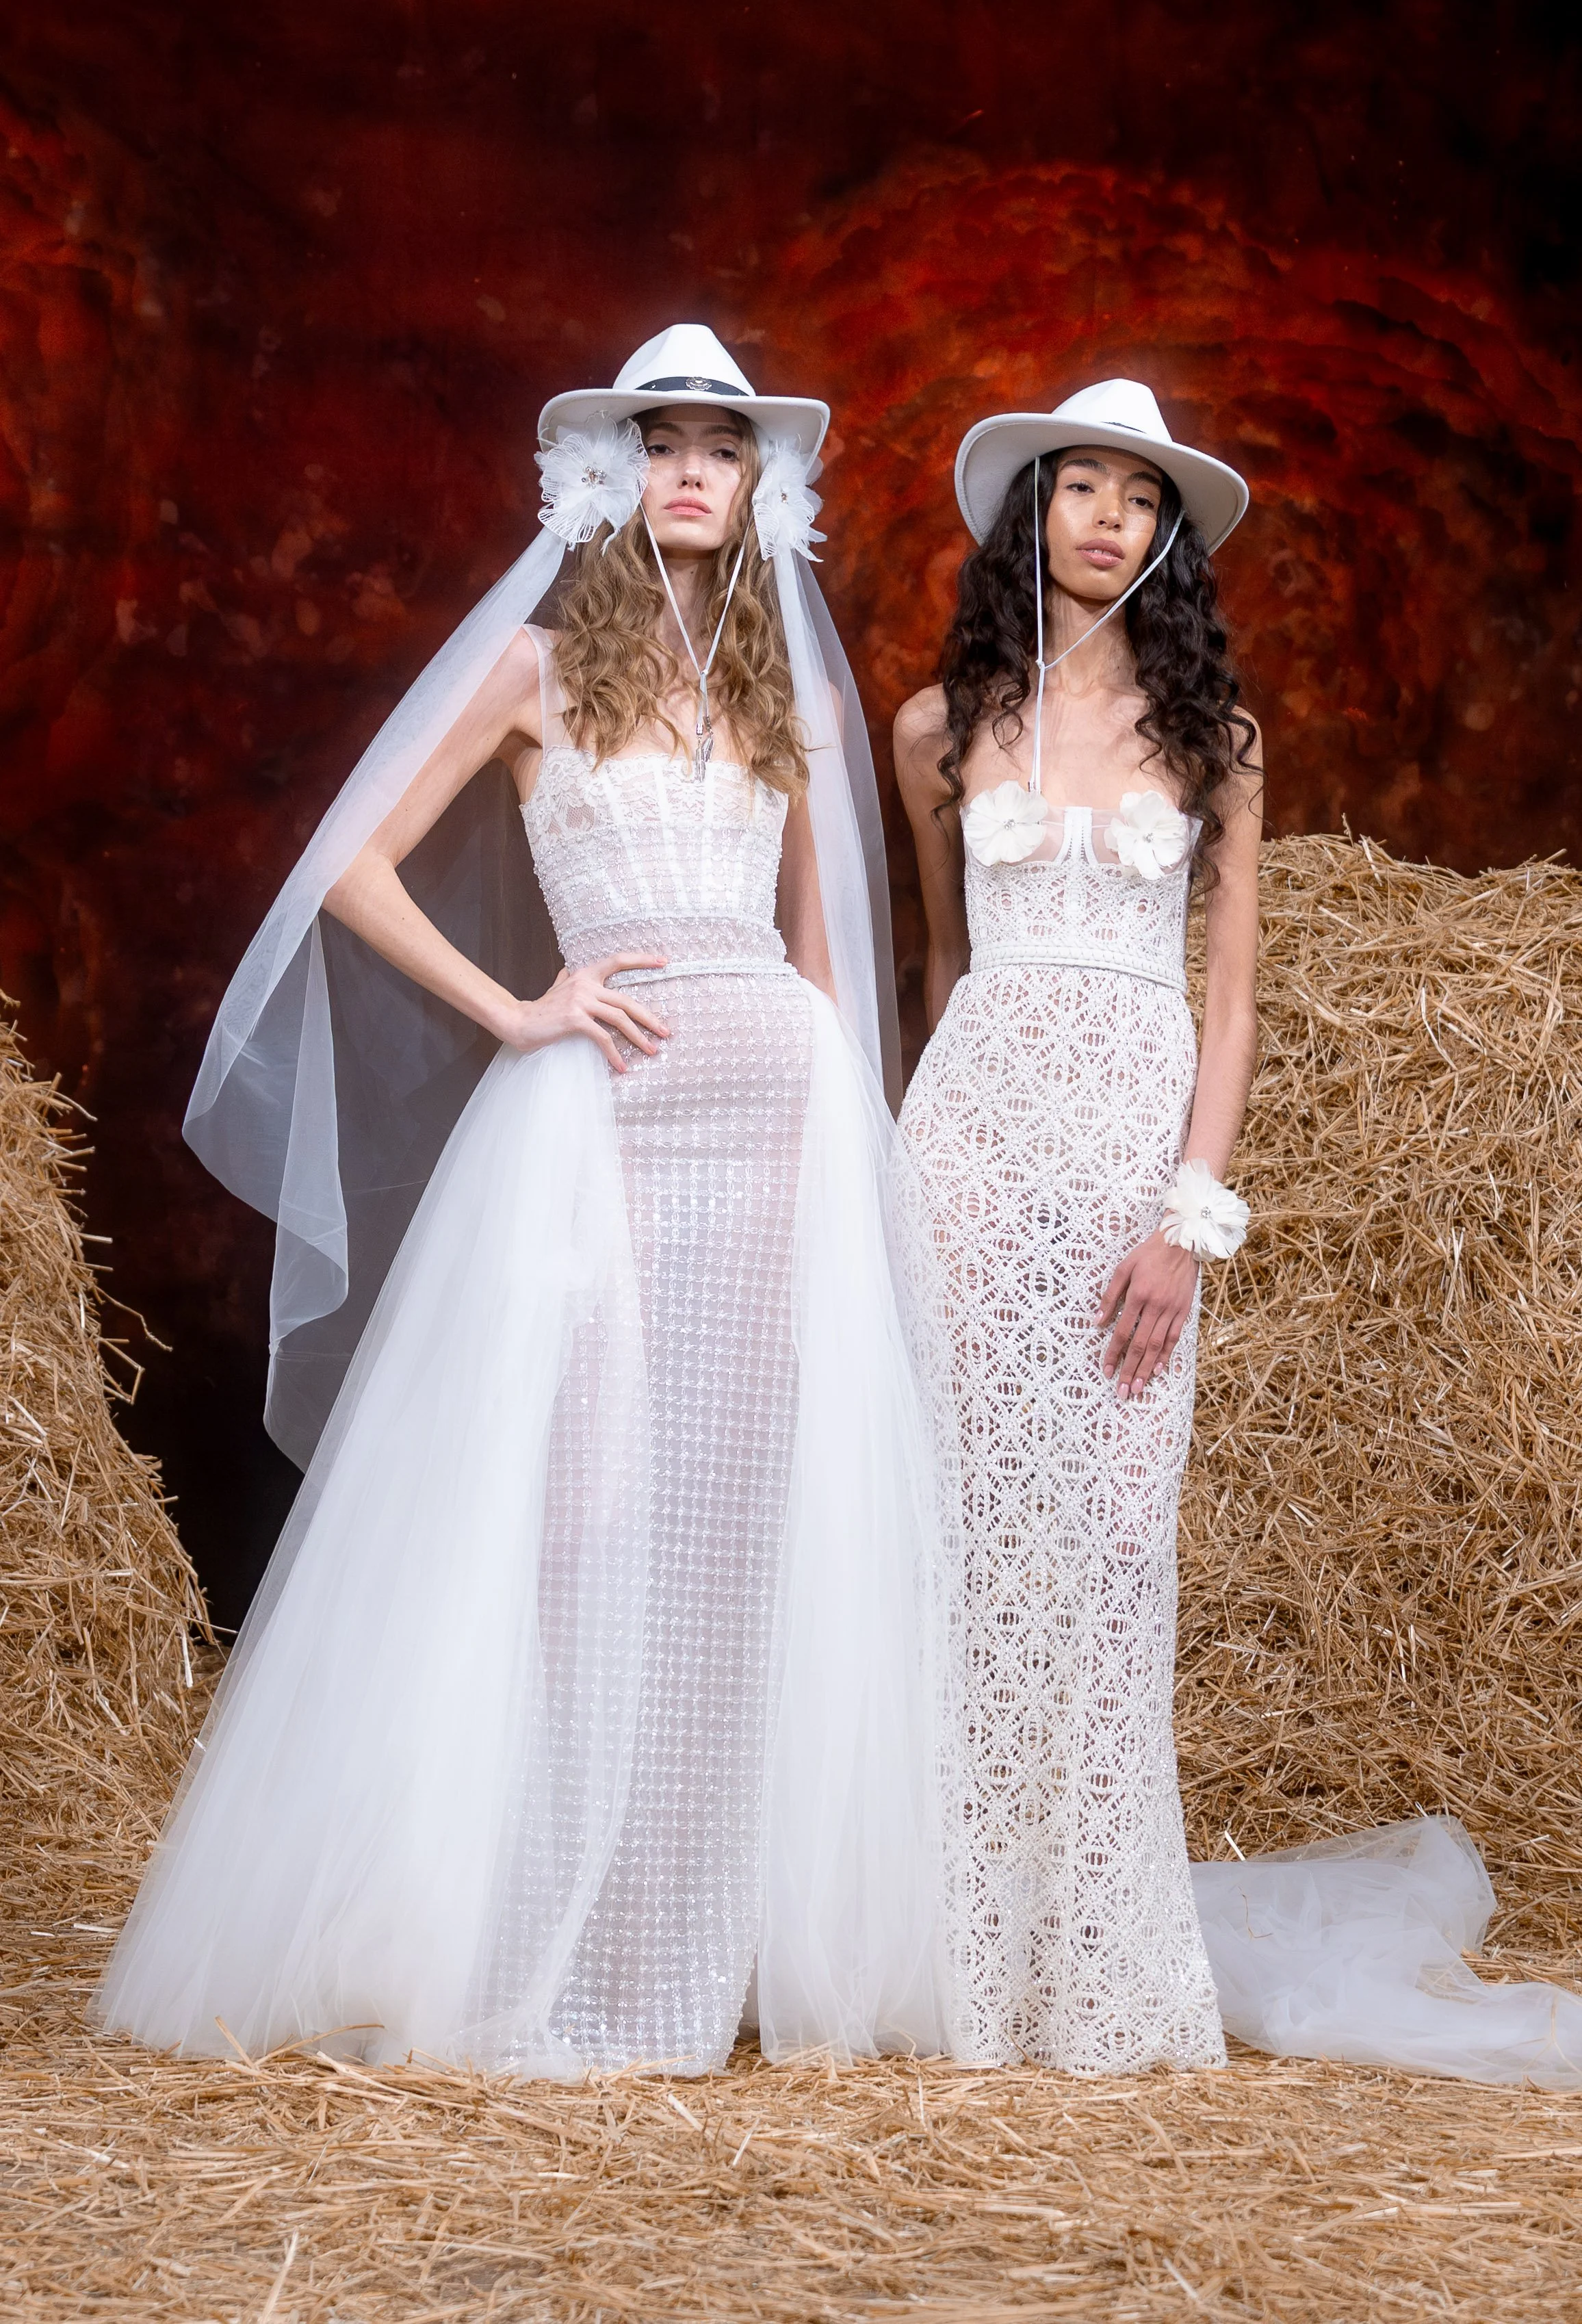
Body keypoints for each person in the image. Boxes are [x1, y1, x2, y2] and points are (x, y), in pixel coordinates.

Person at [94, 325, 946, 2079]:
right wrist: (519, 1012)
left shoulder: (781, 697)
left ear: (761, 484)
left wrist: (845, 1155)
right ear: (608, 476)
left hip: (771, 1114)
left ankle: (705, 1951)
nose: (692, 470)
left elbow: (824, 956)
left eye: (722, 444)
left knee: (740, 1530)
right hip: (602, 1120)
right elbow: (347, 871)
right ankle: (537, 1926)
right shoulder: (542, 671)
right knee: (580, 1519)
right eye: (663, 442)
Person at [893, 379, 1260, 2071]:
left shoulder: (1218, 741)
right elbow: (940, 969)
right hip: (965, 1159)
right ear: (1031, 519)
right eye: (1078, 487)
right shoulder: (939, 726)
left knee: (1108, 1563)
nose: (1105, 515)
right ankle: (953, 1959)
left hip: (1129, 1173)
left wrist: (1185, 1220)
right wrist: (914, 1173)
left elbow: (1231, 1002)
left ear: (1167, 534)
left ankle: (1099, 1973)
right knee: (957, 1556)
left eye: (1136, 493)